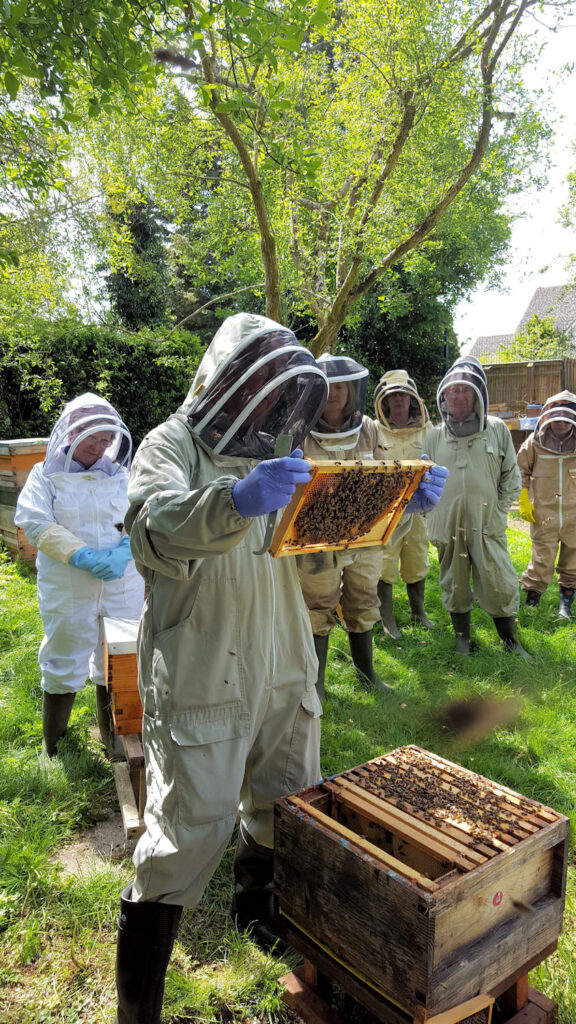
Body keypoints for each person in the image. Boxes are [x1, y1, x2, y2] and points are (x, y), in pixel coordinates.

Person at [114, 313, 330, 1024]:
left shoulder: (277, 455)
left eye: (280, 399)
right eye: (262, 393)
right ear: (230, 380)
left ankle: (254, 908)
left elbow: (320, 543)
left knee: (286, 797)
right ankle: (138, 1006)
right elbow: (150, 525)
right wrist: (231, 502)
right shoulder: (169, 444)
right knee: (186, 827)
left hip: (284, 657)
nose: (271, 411)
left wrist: (396, 508)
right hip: (206, 662)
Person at [298, 354, 448, 699]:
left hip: (363, 532)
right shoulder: (299, 428)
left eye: (341, 386)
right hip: (316, 537)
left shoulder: (367, 428)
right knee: (316, 606)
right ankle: (316, 685)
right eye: (327, 386)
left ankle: (366, 675)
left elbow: (382, 475)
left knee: (363, 599)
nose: (334, 393)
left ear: (354, 389)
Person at [14, 394, 145, 757]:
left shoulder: (120, 474)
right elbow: (36, 523)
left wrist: (126, 548)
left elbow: (143, 513)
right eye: (93, 439)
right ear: (71, 433)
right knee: (63, 654)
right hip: (68, 583)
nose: (100, 447)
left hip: (122, 582)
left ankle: (115, 739)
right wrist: (83, 556)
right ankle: (53, 744)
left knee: (119, 655)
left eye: (106, 440)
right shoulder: (45, 475)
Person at [424, 356, 529, 657]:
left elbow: (511, 475)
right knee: (454, 583)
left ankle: (510, 641)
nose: (458, 396)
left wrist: (498, 510)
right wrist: (433, 516)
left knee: (500, 581)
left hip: (487, 524)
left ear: (478, 395)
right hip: (448, 525)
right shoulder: (433, 436)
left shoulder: (496, 429)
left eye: (465, 390)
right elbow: (422, 481)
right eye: (453, 390)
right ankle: (462, 640)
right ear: (443, 395)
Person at [373, 369, 433, 638]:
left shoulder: (428, 430)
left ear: (412, 399)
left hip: (417, 509)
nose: (398, 399)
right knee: (384, 563)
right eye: (393, 395)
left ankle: (418, 612)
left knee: (417, 557)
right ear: (384, 401)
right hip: (385, 510)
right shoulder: (374, 430)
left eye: (403, 395)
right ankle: (386, 618)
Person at [517, 390, 576, 619]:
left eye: (566, 419)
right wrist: (523, 497)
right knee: (540, 561)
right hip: (544, 514)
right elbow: (520, 471)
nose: (561, 424)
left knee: (573, 562)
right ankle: (532, 604)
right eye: (557, 418)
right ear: (547, 416)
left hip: (574, 515)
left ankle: (565, 607)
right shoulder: (534, 443)